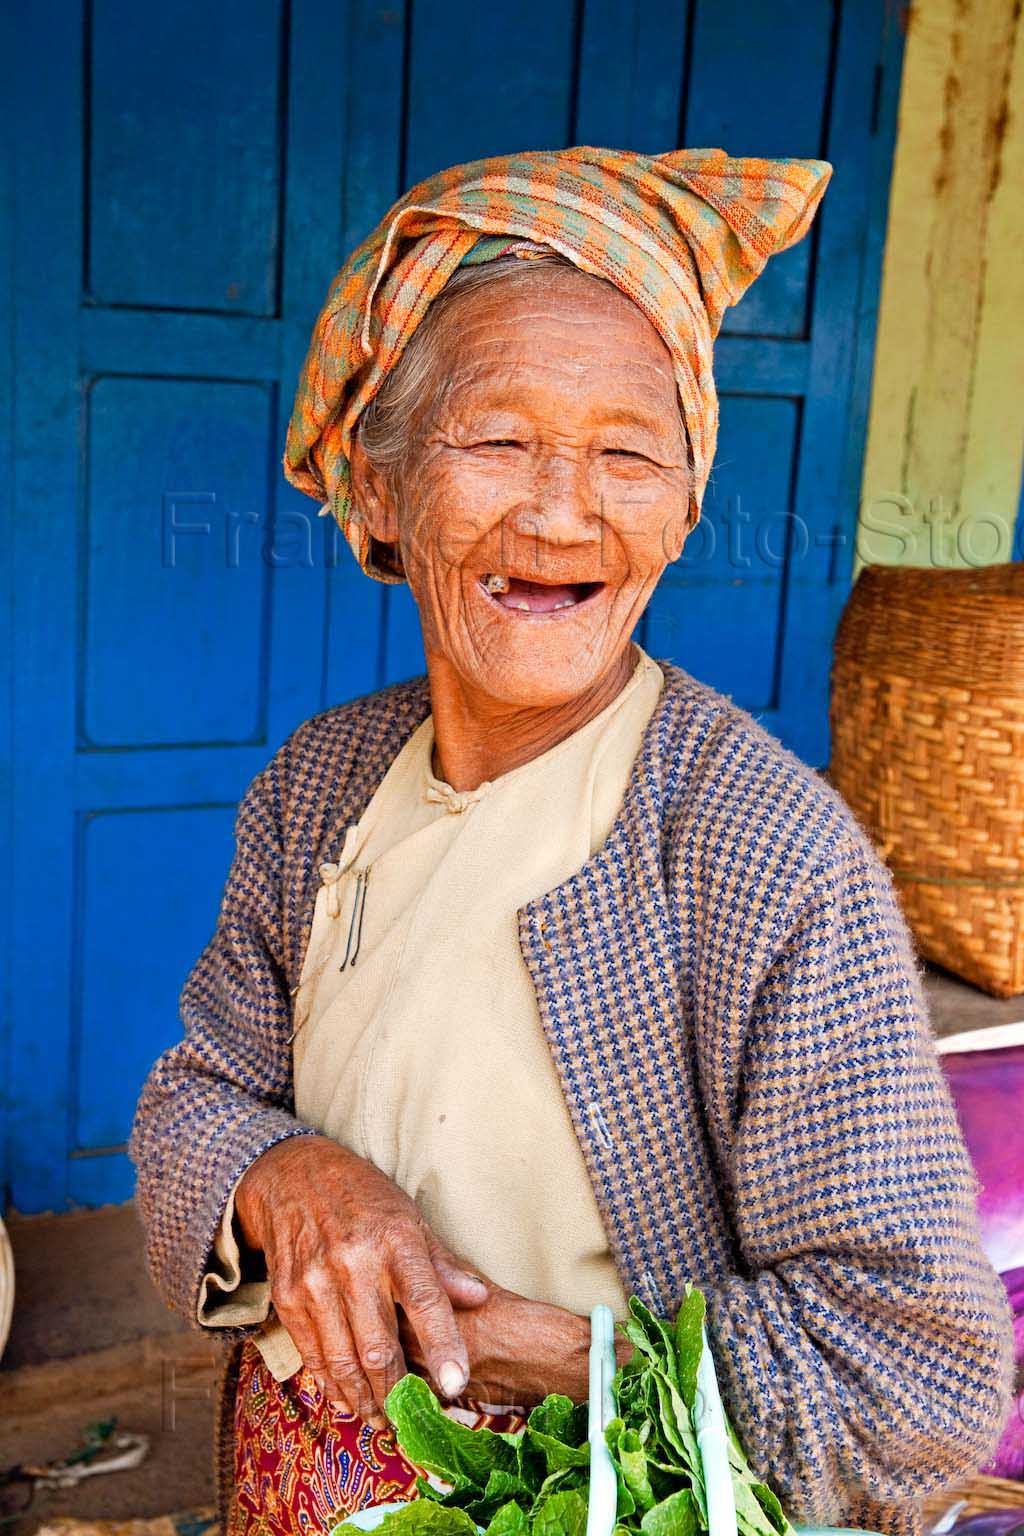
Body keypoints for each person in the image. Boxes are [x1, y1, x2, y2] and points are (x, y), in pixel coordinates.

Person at [131, 146, 1013, 1536]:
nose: (561, 510)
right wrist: (287, 1175)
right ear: (379, 489)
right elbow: (197, 1092)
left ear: (679, 510)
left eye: (625, 454)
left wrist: (522, 1351)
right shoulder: (320, 786)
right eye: (496, 441)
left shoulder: (757, 852)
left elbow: (910, 1384)